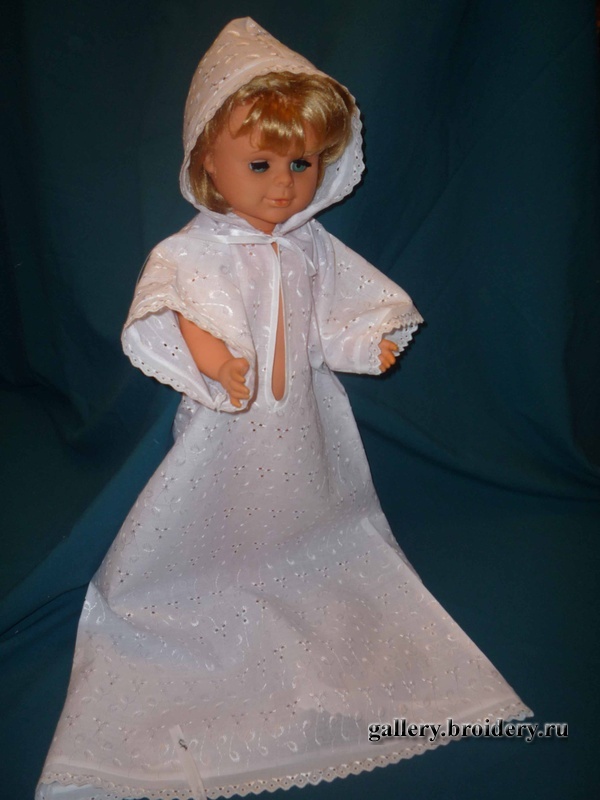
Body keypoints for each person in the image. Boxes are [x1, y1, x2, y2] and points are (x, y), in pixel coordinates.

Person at [36, 18, 531, 800]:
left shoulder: (311, 245)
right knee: (217, 505)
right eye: (261, 163)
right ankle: (213, 586)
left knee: (312, 504)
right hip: (229, 424)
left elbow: (335, 315)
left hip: (306, 420)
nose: (284, 185)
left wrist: (368, 343)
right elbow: (181, 312)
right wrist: (217, 363)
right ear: (207, 159)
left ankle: (300, 573)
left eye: (302, 163)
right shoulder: (195, 251)